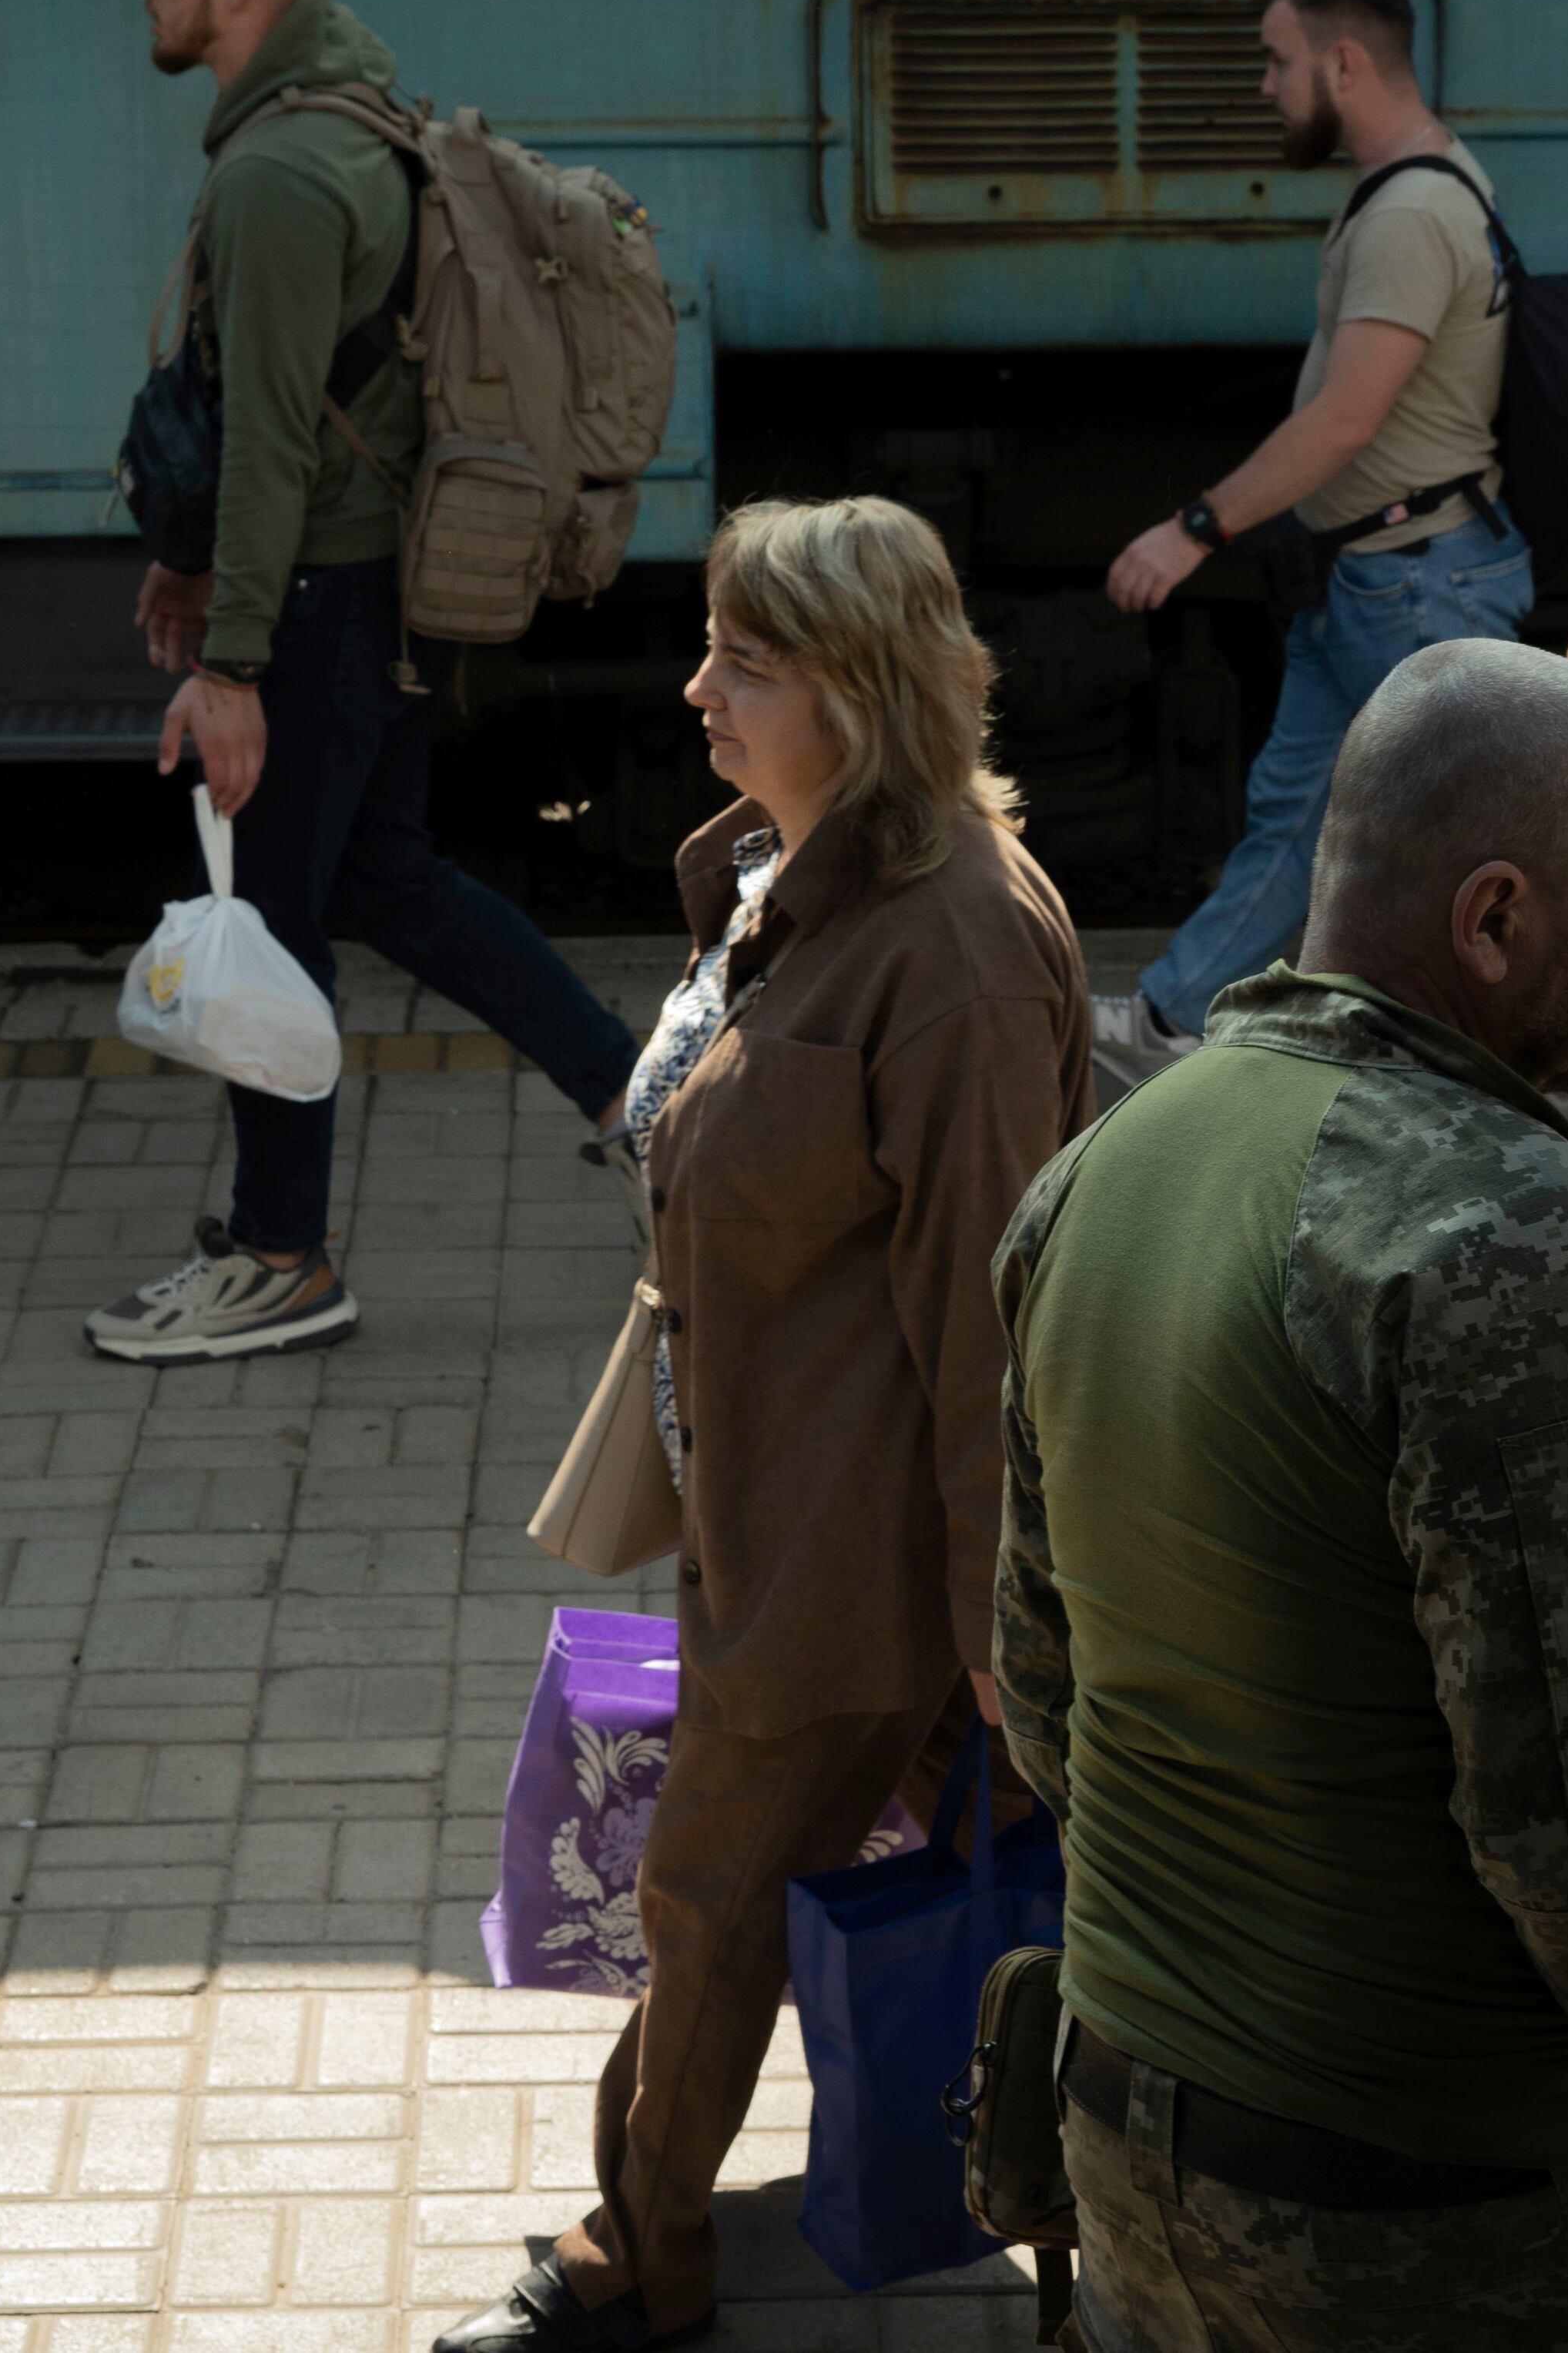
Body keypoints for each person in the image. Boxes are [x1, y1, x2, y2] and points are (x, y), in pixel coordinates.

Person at [996, 639, 1568, 2351]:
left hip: (1126, 2141)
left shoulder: (1099, 1170)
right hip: (1432, 2216)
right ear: (1497, 918)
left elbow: (1037, 1687)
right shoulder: (1509, 1231)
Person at [437, 498, 1093, 2353]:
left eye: (752, 660)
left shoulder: (949, 950)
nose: (699, 683)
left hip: (853, 1556)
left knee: (709, 1901)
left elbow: (992, 1323)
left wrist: (993, 1637)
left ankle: (632, 2265)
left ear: (867, 697)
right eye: (714, 642)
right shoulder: (791, 867)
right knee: (779, 1896)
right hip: (775, 1503)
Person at [83, 0, 642, 1364]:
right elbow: (307, 405)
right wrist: (197, 562)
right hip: (360, 579)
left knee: (268, 920)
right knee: (385, 876)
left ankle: (281, 1256)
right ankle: (651, 1108)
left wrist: (234, 659)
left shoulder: (277, 169)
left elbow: (272, 436)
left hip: (321, 602)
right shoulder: (352, 116)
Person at [1091, 0, 1531, 1086]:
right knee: (1296, 822)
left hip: (1419, 583)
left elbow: (1346, 420)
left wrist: (1192, 529)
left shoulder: (1412, 213)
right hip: (1380, 576)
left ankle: (1541, 1074)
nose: (1265, 86)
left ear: (1345, 60)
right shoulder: (1423, 184)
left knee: (1463, 855)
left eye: (1278, 61)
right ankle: (1176, 1024)